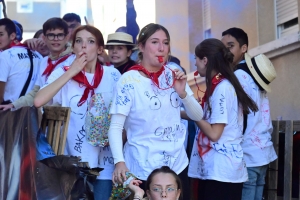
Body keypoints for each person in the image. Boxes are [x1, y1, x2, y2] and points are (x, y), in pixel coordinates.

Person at [108, 23, 203, 198]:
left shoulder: (174, 72)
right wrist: (119, 162)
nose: (161, 48)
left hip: (176, 166)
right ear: (141, 47)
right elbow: (115, 127)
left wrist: (183, 94)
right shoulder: (129, 80)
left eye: (165, 43)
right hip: (142, 167)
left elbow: (197, 115)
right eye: (154, 42)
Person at [34, 25, 121, 200]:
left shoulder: (113, 75)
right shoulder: (62, 74)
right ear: (72, 47)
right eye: (79, 41)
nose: (83, 46)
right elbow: (38, 101)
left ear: (99, 49)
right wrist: (72, 71)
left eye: (90, 42)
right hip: (73, 162)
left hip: (105, 160)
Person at [188, 38, 258, 200]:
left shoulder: (222, 88)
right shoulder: (221, 85)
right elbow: (205, 117)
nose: (195, 65)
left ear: (205, 60)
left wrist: (192, 110)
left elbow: (214, 133)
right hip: (219, 170)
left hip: (221, 171)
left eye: (196, 59)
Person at [221, 27, 277, 200]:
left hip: (248, 153)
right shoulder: (256, 75)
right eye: (223, 47)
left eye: (231, 46)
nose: (226, 52)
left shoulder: (238, 75)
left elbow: (235, 117)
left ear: (244, 48)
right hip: (263, 150)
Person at [0, 17, 72, 111]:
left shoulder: (75, 59)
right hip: (47, 120)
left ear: (67, 37)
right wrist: (13, 105)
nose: (55, 39)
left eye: (60, 35)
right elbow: (35, 93)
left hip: (71, 120)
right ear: (44, 38)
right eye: (51, 35)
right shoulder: (44, 61)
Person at [0, 18, 42, 104]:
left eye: (0, 34)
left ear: (12, 36)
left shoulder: (5, 55)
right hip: (32, 112)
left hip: (9, 111)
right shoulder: (39, 56)